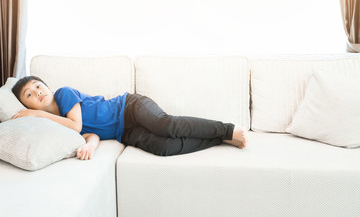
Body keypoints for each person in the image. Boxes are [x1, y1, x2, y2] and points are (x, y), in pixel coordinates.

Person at [11, 76, 247, 160]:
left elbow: (77, 125)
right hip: (124, 132)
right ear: (25, 103)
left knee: (166, 125)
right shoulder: (56, 124)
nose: (38, 92)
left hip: (129, 107)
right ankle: (218, 140)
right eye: (29, 95)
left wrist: (36, 113)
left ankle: (227, 130)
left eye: (38, 86)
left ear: (49, 87)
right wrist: (90, 148)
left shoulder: (64, 94)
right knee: (162, 147)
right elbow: (87, 134)